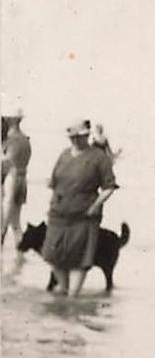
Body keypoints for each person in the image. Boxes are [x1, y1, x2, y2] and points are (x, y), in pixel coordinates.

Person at [41, 118, 118, 296]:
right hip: (58, 215)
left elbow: (109, 187)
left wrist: (95, 205)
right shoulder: (64, 154)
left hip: (84, 217)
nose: (75, 140)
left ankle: (72, 298)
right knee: (53, 256)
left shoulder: (99, 158)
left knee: (80, 260)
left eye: (79, 137)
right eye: (72, 137)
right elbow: (53, 181)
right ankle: (68, 293)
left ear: (87, 136)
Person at [1, 100, 30, 253]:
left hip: (10, 180)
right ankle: (20, 255)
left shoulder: (11, 140)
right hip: (22, 179)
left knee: (4, 222)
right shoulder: (25, 139)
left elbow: (6, 164)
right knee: (16, 223)